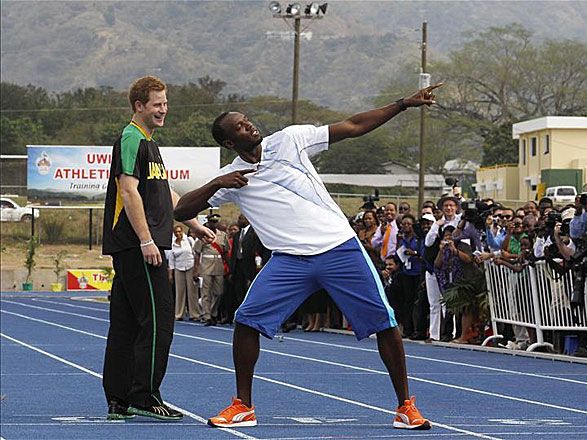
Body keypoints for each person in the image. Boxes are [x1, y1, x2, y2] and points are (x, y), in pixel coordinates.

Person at [174, 83, 443, 430]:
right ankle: (243, 406)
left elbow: (353, 126)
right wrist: (216, 184)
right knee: (246, 320)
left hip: (338, 248)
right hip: (289, 260)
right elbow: (182, 209)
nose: (249, 126)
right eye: (239, 127)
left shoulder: (290, 140)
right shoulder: (230, 178)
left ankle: (406, 406)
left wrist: (403, 104)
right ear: (229, 142)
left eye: (247, 120)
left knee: (385, 323)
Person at [101, 76, 214, 421]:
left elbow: (164, 195)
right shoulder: (132, 138)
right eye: (157, 104)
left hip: (134, 245)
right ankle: (145, 396)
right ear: (139, 106)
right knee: (158, 319)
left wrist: (194, 224)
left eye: (165, 103)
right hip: (137, 245)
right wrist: (147, 239)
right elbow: (129, 191)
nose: (164, 110)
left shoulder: (150, 145)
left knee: (126, 323)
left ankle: (119, 399)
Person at [193, 214, 230, 326]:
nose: (213, 224)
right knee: (206, 292)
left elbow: (225, 252)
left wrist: (229, 268)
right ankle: (207, 316)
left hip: (218, 265)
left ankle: (213, 313)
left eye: (215, 222)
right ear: (208, 223)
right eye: (211, 222)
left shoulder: (222, 235)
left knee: (218, 292)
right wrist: (196, 270)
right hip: (206, 266)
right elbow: (197, 253)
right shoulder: (203, 235)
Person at [167, 225, 198, 322]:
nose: (178, 233)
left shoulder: (189, 241)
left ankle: (195, 314)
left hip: (190, 266)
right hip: (178, 268)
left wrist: (196, 269)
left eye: (179, 231)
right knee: (179, 292)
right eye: (176, 232)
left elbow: (196, 254)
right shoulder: (173, 244)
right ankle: (179, 313)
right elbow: (171, 260)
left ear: (182, 231)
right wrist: (170, 274)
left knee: (192, 292)